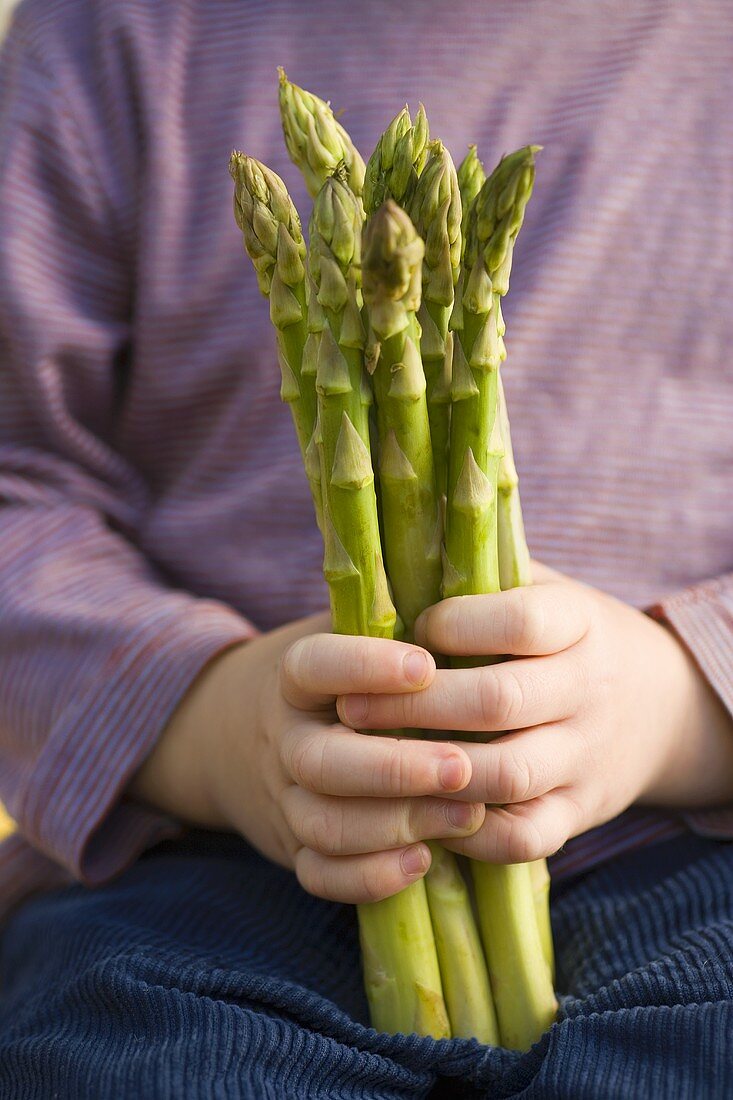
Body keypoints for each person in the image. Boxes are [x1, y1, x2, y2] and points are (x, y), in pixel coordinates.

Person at [0, 0, 732, 1096]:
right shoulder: (114, 30)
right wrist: (210, 727)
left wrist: (679, 701)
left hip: (689, 841)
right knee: (133, 1056)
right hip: (197, 856)